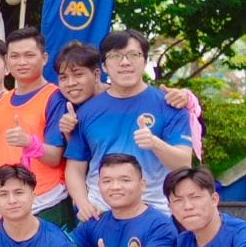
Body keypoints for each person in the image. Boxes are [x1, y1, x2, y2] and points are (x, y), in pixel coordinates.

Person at [64, 30, 196, 218]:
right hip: (100, 212)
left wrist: (154, 143)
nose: (125, 62)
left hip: (155, 213)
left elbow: (183, 164)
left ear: (145, 61)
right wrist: (83, 203)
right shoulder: (86, 112)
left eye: (134, 55)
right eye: (116, 56)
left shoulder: (169, 105)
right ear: (104, 66)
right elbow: (75, 167)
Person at [0, 28, 70, 228]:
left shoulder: (55, 98)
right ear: (7, 60)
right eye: (15, 56)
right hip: (7, 204)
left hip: (46, 202)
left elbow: (55, 157)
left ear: (44, 58)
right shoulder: (0, 103)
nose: (21, 62)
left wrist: (29, 143)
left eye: (29, 55)